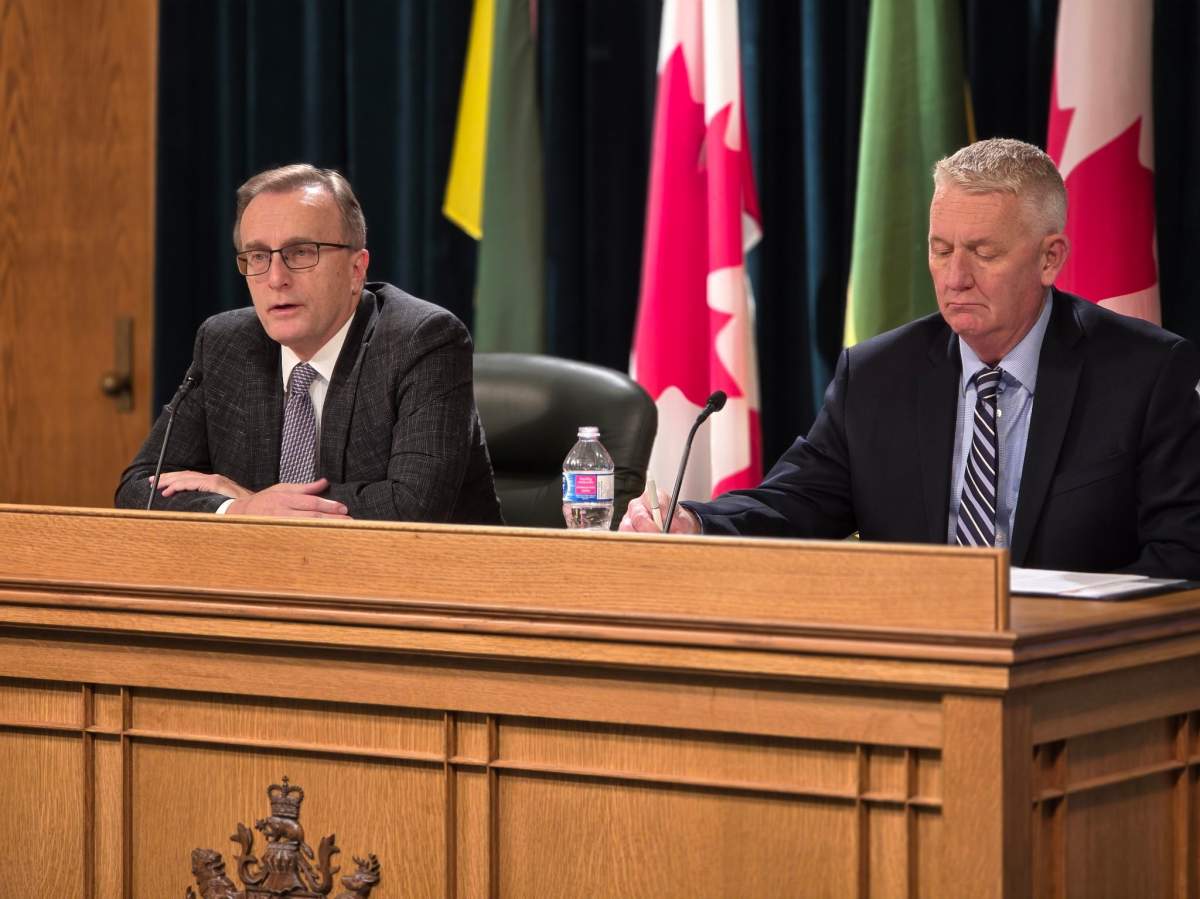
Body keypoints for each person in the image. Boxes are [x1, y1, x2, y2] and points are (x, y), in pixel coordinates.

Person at [622, 138, 1200, 579]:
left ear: (1050, 259)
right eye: (941, 249)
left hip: (1076, 680)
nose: (954, 277)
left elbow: (1181, 556)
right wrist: (695, 522)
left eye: (983, 253)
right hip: (915, 674)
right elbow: (795, 502)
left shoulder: (1144, 375)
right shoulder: (876, 377)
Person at [116, 164, 502, 523]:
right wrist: (237, 509)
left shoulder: (421, 340)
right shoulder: (226, 344)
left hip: (422, 585)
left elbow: (413, 506)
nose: (276, 278)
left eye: (301, 253)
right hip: (266, 586)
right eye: (258, 256)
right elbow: (138, 489)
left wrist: (262, 504)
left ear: (356, 269)